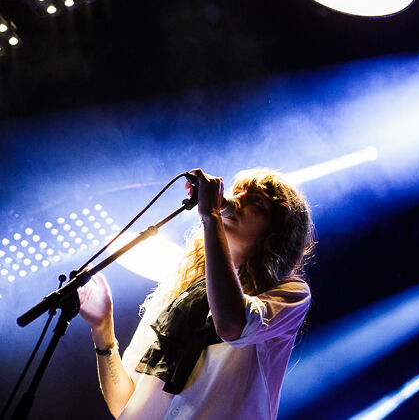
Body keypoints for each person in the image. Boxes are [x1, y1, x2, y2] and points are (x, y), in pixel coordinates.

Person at [77, 168, 315, 420]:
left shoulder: (289, 293)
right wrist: (103, 329)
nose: (239, 198)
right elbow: (126, 406)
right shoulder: (180, 290)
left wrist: (211, 216)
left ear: (277, 234)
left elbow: (232, 324)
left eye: (258, 201)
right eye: (238, 191)